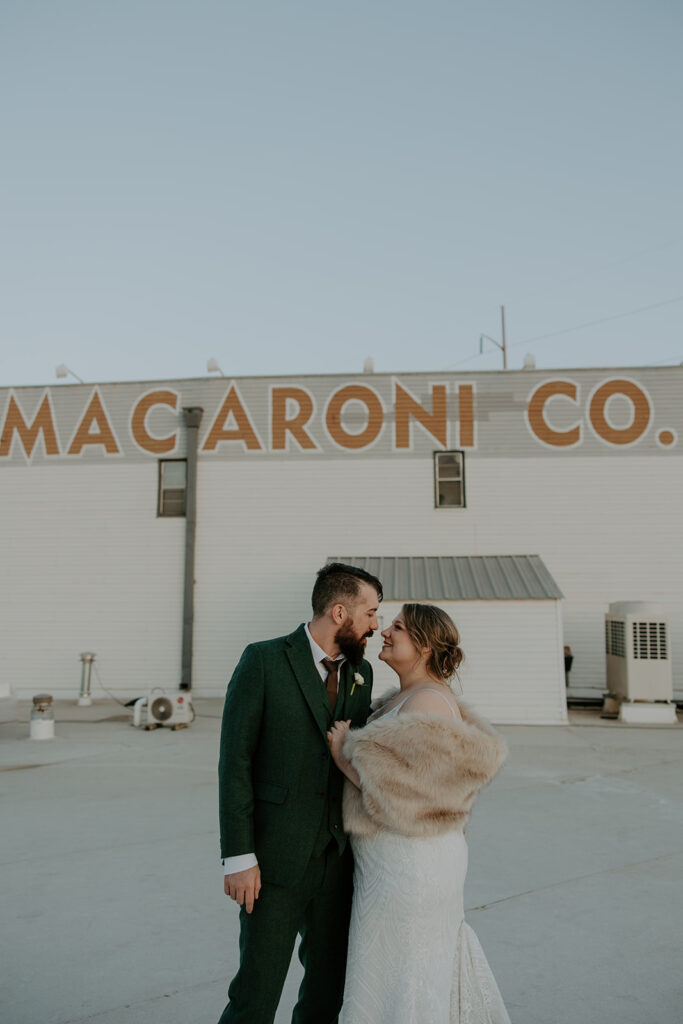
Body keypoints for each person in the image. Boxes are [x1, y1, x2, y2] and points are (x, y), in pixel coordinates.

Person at [328, 603, 511, 1024]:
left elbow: (411, 797)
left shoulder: (427, 701)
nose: (386, 632)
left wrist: (343, 755)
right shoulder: (411, 697)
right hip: (395, 860)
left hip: (410, 868)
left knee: (405, 972)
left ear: (425, 646)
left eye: (399, 627)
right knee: (394, 970)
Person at [217, 562, 382, 1024]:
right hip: (273, 862)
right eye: (370, 613)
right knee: (256, 993)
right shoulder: (263, 661)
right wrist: (238, 856)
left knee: (327, 993)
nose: (376, 625)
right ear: (338, 612)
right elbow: (235, 763)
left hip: (339, 861)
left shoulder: (362, 672)